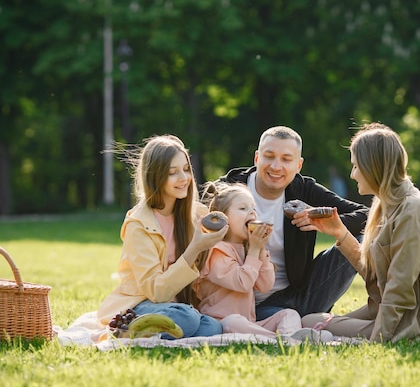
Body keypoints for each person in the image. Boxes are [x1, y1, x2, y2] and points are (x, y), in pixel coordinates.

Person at [300, 122, 420, 343]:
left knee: (310, 323)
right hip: (386, 310)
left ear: (373, 166)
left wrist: (379, 338)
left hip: (412, 323)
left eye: (356, 166)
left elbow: (400, 286)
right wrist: (340, 233)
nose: (353, 174)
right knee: (310, 320)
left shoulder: (412, 210)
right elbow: (376, 276)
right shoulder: (386, 204)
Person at [217, 126, 368, 321]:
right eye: (269, 156)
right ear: (257, 158)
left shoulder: (304, 190)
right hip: (237, 302)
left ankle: (302, 318)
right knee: (290, 321)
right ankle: (296, 321)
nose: (276, 166)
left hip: (298, 296)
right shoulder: (229, 189)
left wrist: (320, 219)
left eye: (286, 159)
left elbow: (367, 215)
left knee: (361, 239)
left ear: (298, 165)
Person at [97, 135, 228, 339]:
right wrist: (195, 248)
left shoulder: (197, 215)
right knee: (188, 319)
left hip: (176, 307)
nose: (184, 178)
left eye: (186, 169)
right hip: (141, 304)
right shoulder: (138, 225)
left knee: (212, 327)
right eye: (173, 172)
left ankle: (149, 333)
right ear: (155, 176)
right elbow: (155, 292)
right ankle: (128, 327)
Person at [194, 182, 308, 338]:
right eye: (243, 208)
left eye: (254, 208)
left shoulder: (249, 250)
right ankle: (281, 340)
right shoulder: (216, 251)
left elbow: (265, 285)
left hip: (249, 324)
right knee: (233, 322)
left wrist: (260, 250)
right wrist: (255, 249)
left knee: (289, 314)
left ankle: (290, 336)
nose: (252, 213)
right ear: (222, 216)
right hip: (220, 323)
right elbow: (242, 282)